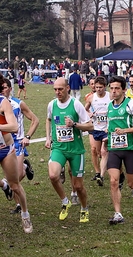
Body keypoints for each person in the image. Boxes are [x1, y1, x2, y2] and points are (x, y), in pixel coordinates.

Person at [45, 77, 93, 222]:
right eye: (55, 89)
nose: (57, 92)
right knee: (53, 176)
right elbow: (48, 119)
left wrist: (74, 124)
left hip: (75, 150)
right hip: (59, 147)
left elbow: (90, 126)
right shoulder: (52, 105)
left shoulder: (76, 104)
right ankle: (65, 201)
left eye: (60, 89)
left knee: (78, 186)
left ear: (67, 88)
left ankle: (84, 209)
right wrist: (48, 137)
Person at [107, 76, 133, 225]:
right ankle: (118, 214)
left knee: (131, 184)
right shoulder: (109, 106)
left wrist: (125, 131)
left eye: (117, 88)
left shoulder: (131, 104)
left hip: (129, 148)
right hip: (113, 149)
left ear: (124, 89)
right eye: (111, 88)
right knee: (113, 181)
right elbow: (110, 126)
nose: (114, 91)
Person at [1, 78, 38, 214]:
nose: (3, 89)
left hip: (17, 143)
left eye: (5, 87)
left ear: (10, 89)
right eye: (2, 87)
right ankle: (23, 168)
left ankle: (19, 205)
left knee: (16, 178)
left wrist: (27, 136)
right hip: (3, 142)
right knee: (15, 178)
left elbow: (35, 120)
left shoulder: (18, 104)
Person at [85, 76, 110, 186]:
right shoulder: (91, 98)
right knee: (96, 151)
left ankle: (101, 176)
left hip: (107, 129)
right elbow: (84, 109)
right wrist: (89, 114)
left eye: (101, 87)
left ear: (105, 86)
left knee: (104, 152)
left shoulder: (110, 96)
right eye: (97, 87)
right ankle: (98, 171)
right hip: (96, 128)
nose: (98, 89)